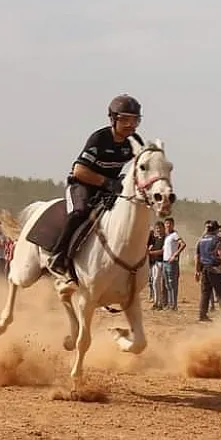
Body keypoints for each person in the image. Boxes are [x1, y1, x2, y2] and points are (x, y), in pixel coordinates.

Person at [48, 94, 144, 295]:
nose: (130, 125)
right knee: (79, 213)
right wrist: (108, 182)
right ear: (113, 119)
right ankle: (58, 257)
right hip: (83, 186)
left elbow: (141, 167)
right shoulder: (99, 139)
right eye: (125, 119)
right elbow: (79, 171)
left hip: (109, 190)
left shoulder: (134, 142)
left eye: (134, 120)